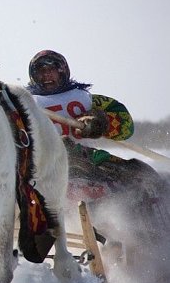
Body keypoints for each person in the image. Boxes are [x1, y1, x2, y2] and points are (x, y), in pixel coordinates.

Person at [26, 50, 167, 222]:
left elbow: (126, 126)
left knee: (144, 175)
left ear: (63, 71)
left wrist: (100, 121)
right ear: (33, 75)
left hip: (91, 160)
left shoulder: (85, 99)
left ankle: (157, 233)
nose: (47, 75)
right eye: (41, 70)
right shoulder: (25, 104)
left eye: (52, 69)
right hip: (46, 168)